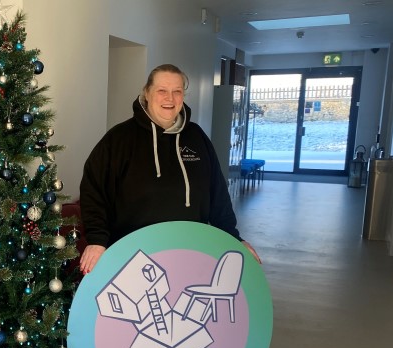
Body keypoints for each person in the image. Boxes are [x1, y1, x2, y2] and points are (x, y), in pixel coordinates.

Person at [79, 64, 260, 274]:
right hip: (132, 259)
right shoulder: (118, 140)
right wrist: (97, 240)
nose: (170, 99)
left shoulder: (197, 137)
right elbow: (94, 192)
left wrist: (234, 238)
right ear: (147, 93)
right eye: (162, 91)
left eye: (177, 91)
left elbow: (217, 195)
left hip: (190, 255)